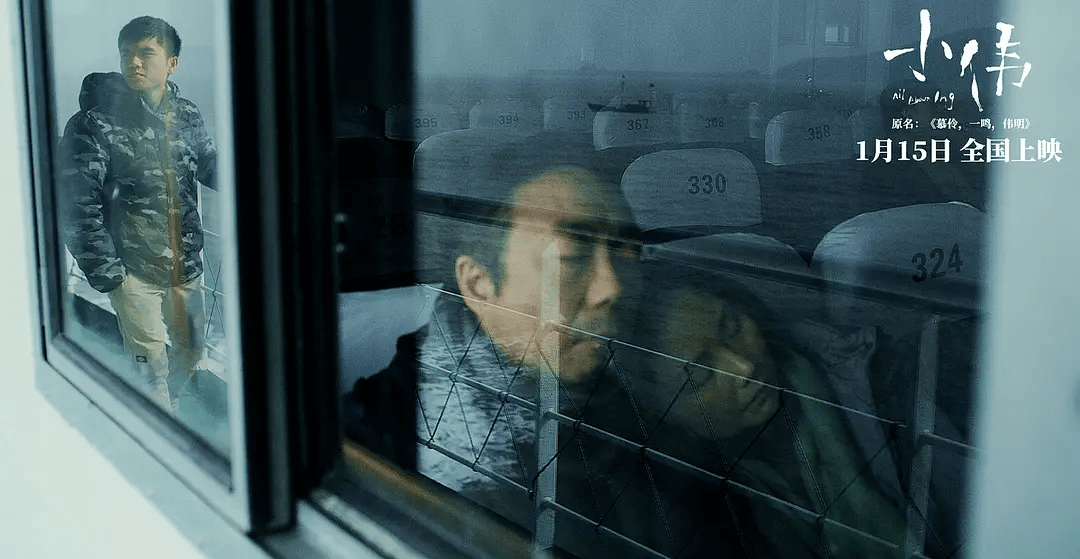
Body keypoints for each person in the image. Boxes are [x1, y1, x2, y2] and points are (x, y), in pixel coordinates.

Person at [344, 164, 645, 552]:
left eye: (627, 251)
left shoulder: (647, 401)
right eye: (571, 257)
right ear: (479, 284)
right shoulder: (381, 450)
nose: (613, 288)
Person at [622, 271, 907, 558]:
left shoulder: (872, 378)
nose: (744, 367)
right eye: (700, 374)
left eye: (733, 328)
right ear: (667, 414)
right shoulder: (694, 518)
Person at [57, 16, 217, 415]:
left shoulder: (187, 115)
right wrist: (109, 273)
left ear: (172, 63)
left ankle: (170, 404)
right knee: (151, 372)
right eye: (127, 53)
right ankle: (165, 428)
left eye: (146, 52)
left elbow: (210, 166)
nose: (134, 62)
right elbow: (76, 203)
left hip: (184, 267)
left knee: (192, 350)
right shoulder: (94, 124)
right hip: (131, 272)